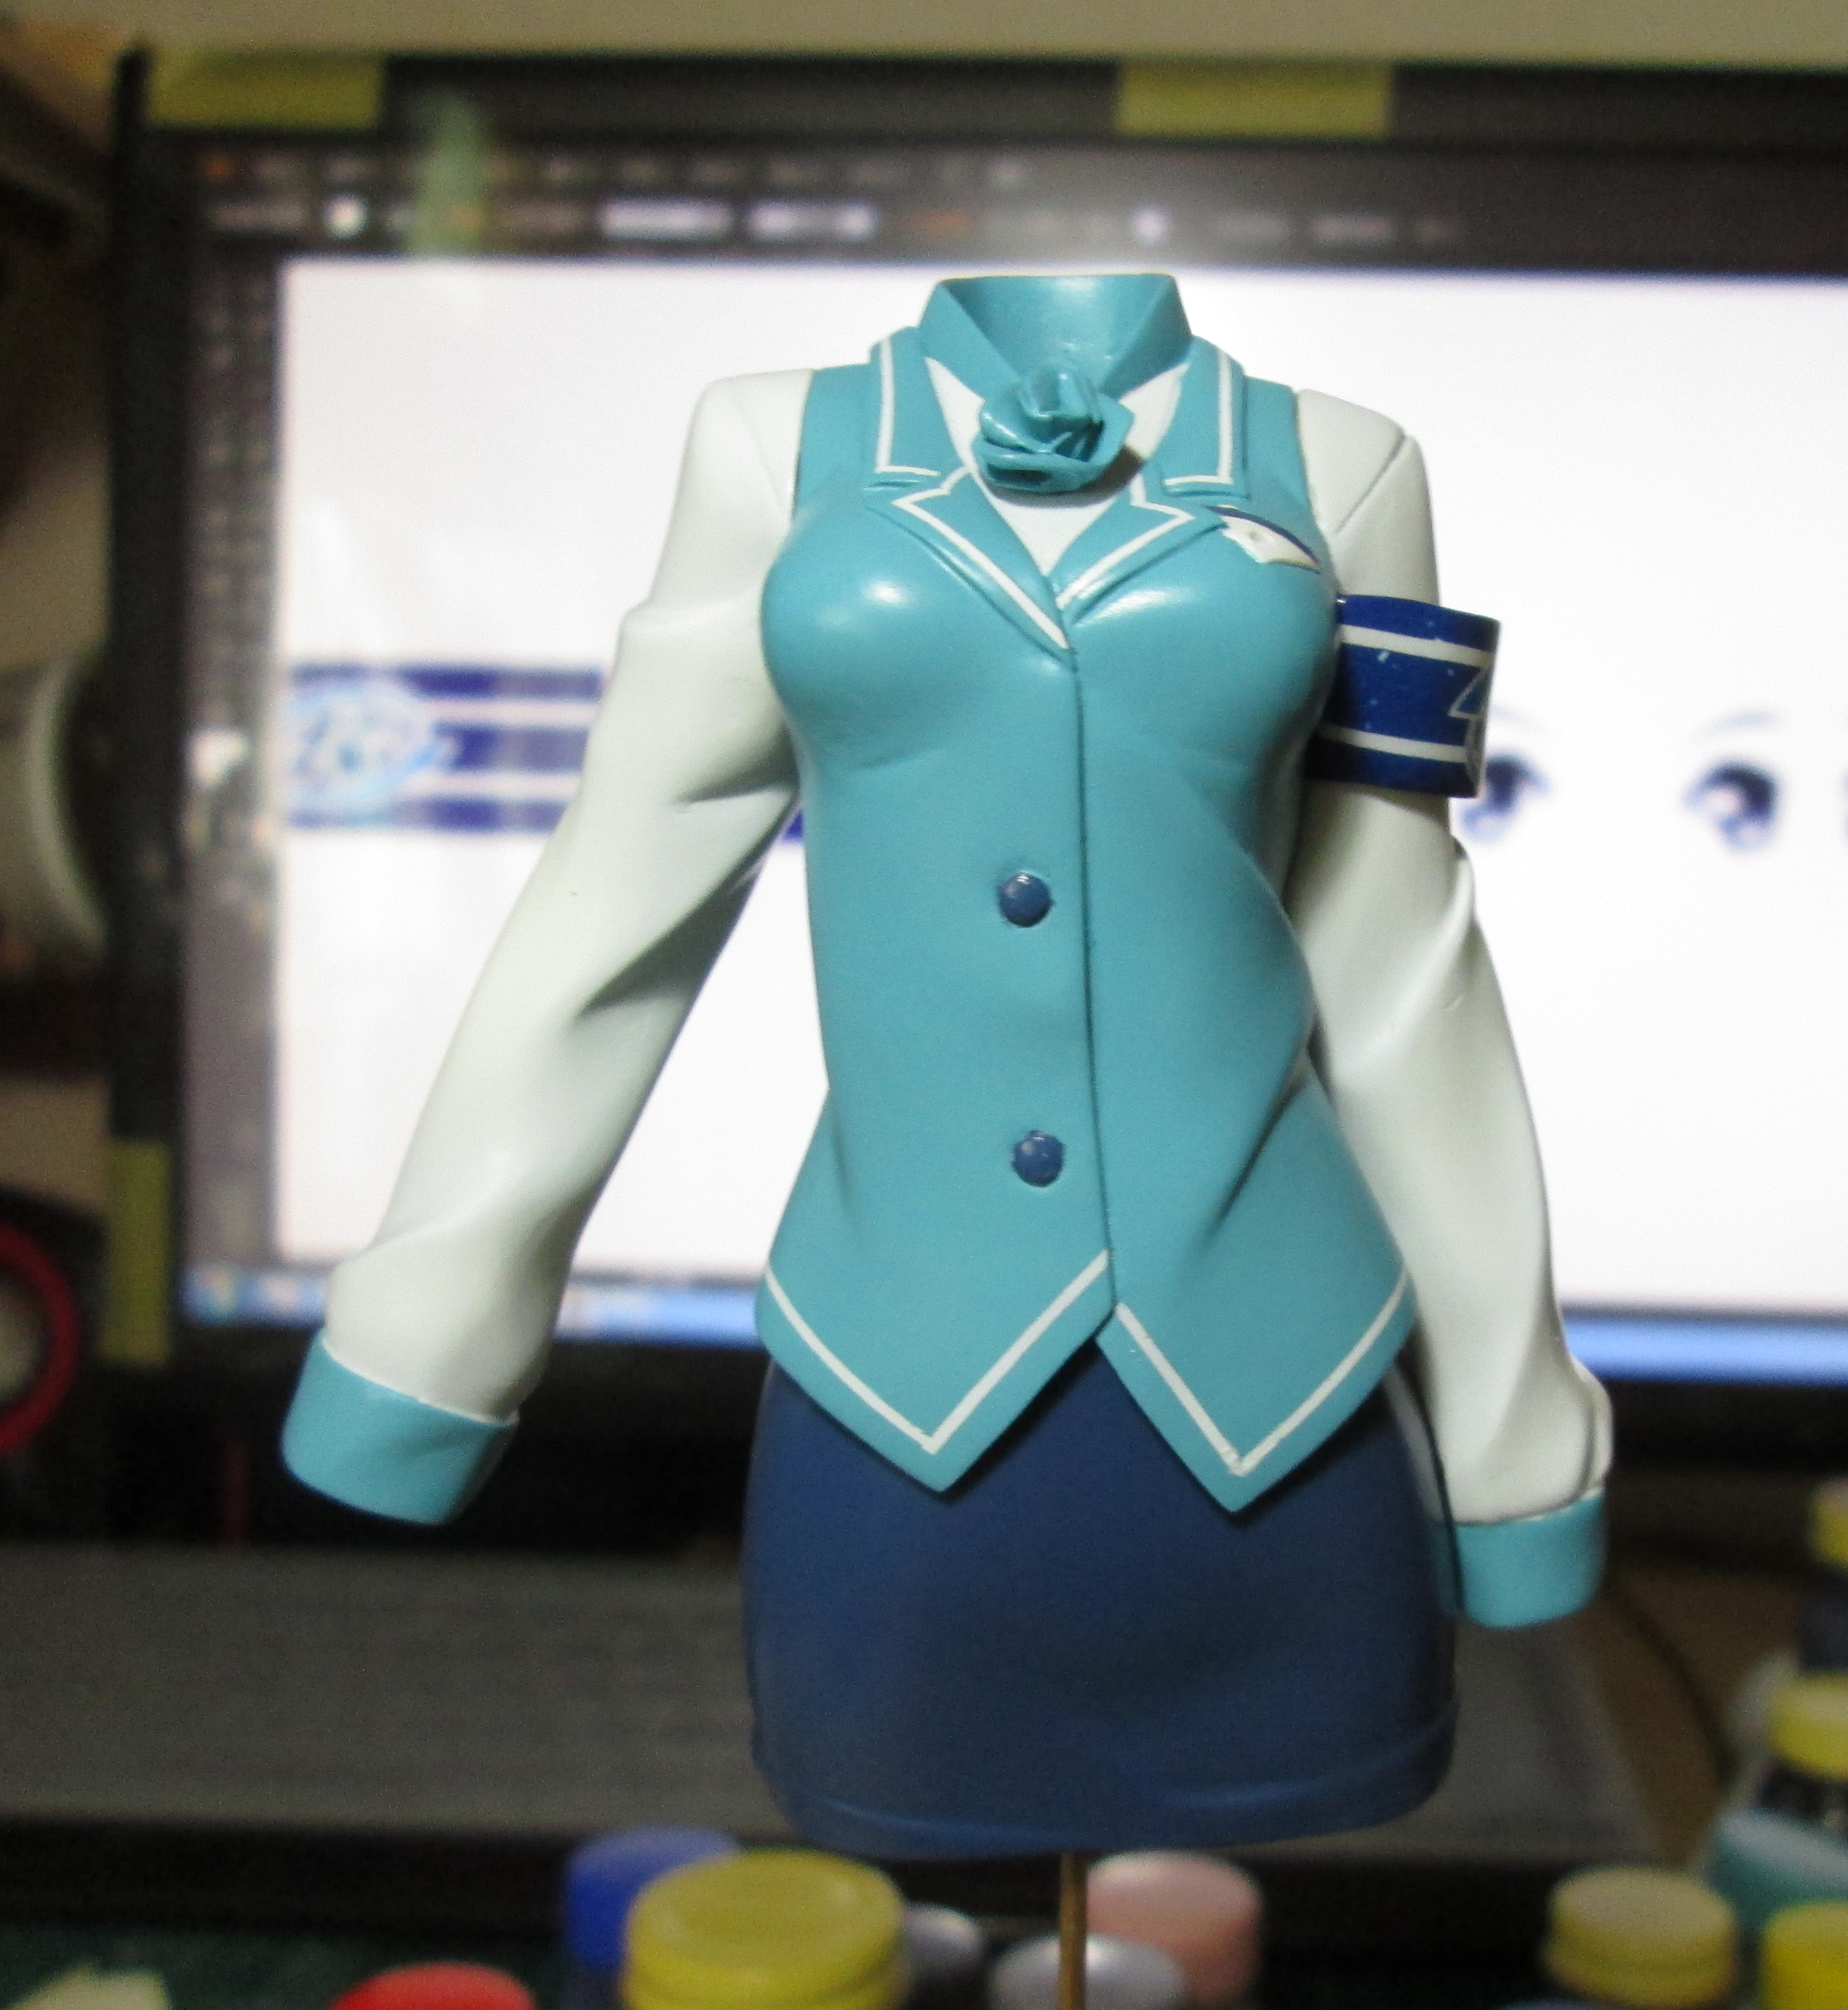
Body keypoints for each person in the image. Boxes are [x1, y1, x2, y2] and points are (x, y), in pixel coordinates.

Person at [281, 271, 1607, 1857]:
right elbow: (625, 882)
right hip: (895, 1405)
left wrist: (1510, 1434)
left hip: (1289, 1401)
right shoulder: (774, 446)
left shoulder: (1345, 467)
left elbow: (1399, 953)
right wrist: (434, 1323)